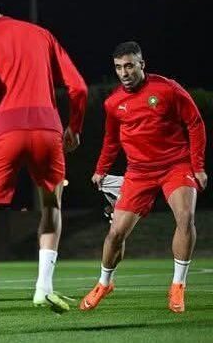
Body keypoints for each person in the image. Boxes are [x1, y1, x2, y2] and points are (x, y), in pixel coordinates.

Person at [0, 0, 88, 338]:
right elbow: (79, 87)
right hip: (49, 129)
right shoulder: (41, 34)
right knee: (52, 205)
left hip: (4, 131)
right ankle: (44, 286)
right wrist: (74, 126)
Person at [80, 41, 207, 313]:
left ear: (142, 64)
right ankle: (104, 283)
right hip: (138, 173)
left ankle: (178, 285)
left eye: (129, 66)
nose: (123, 73)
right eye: (118, 67)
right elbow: (111, 139)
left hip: (175, 165)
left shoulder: (168, 89)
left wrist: (197, 166)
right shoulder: (113, 103)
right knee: (115, 233)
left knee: (185, 217)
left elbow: (195, 123)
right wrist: (101, 168)